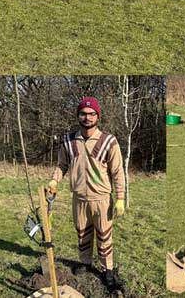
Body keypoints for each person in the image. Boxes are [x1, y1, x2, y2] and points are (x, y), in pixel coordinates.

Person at [47, 97, 126, 290]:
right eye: (83, 113)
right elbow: (62, 165)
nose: (87, 117)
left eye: (92, 114)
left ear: (98, 116)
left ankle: (107, 270)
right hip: (79, 198)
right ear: (78, 116)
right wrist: (54, 180)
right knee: (82, 233)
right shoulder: (68, 140)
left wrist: (121, 197)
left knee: (104, 236)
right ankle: (85, 263)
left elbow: (118, 171)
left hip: (102, 199)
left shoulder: (109, 141)